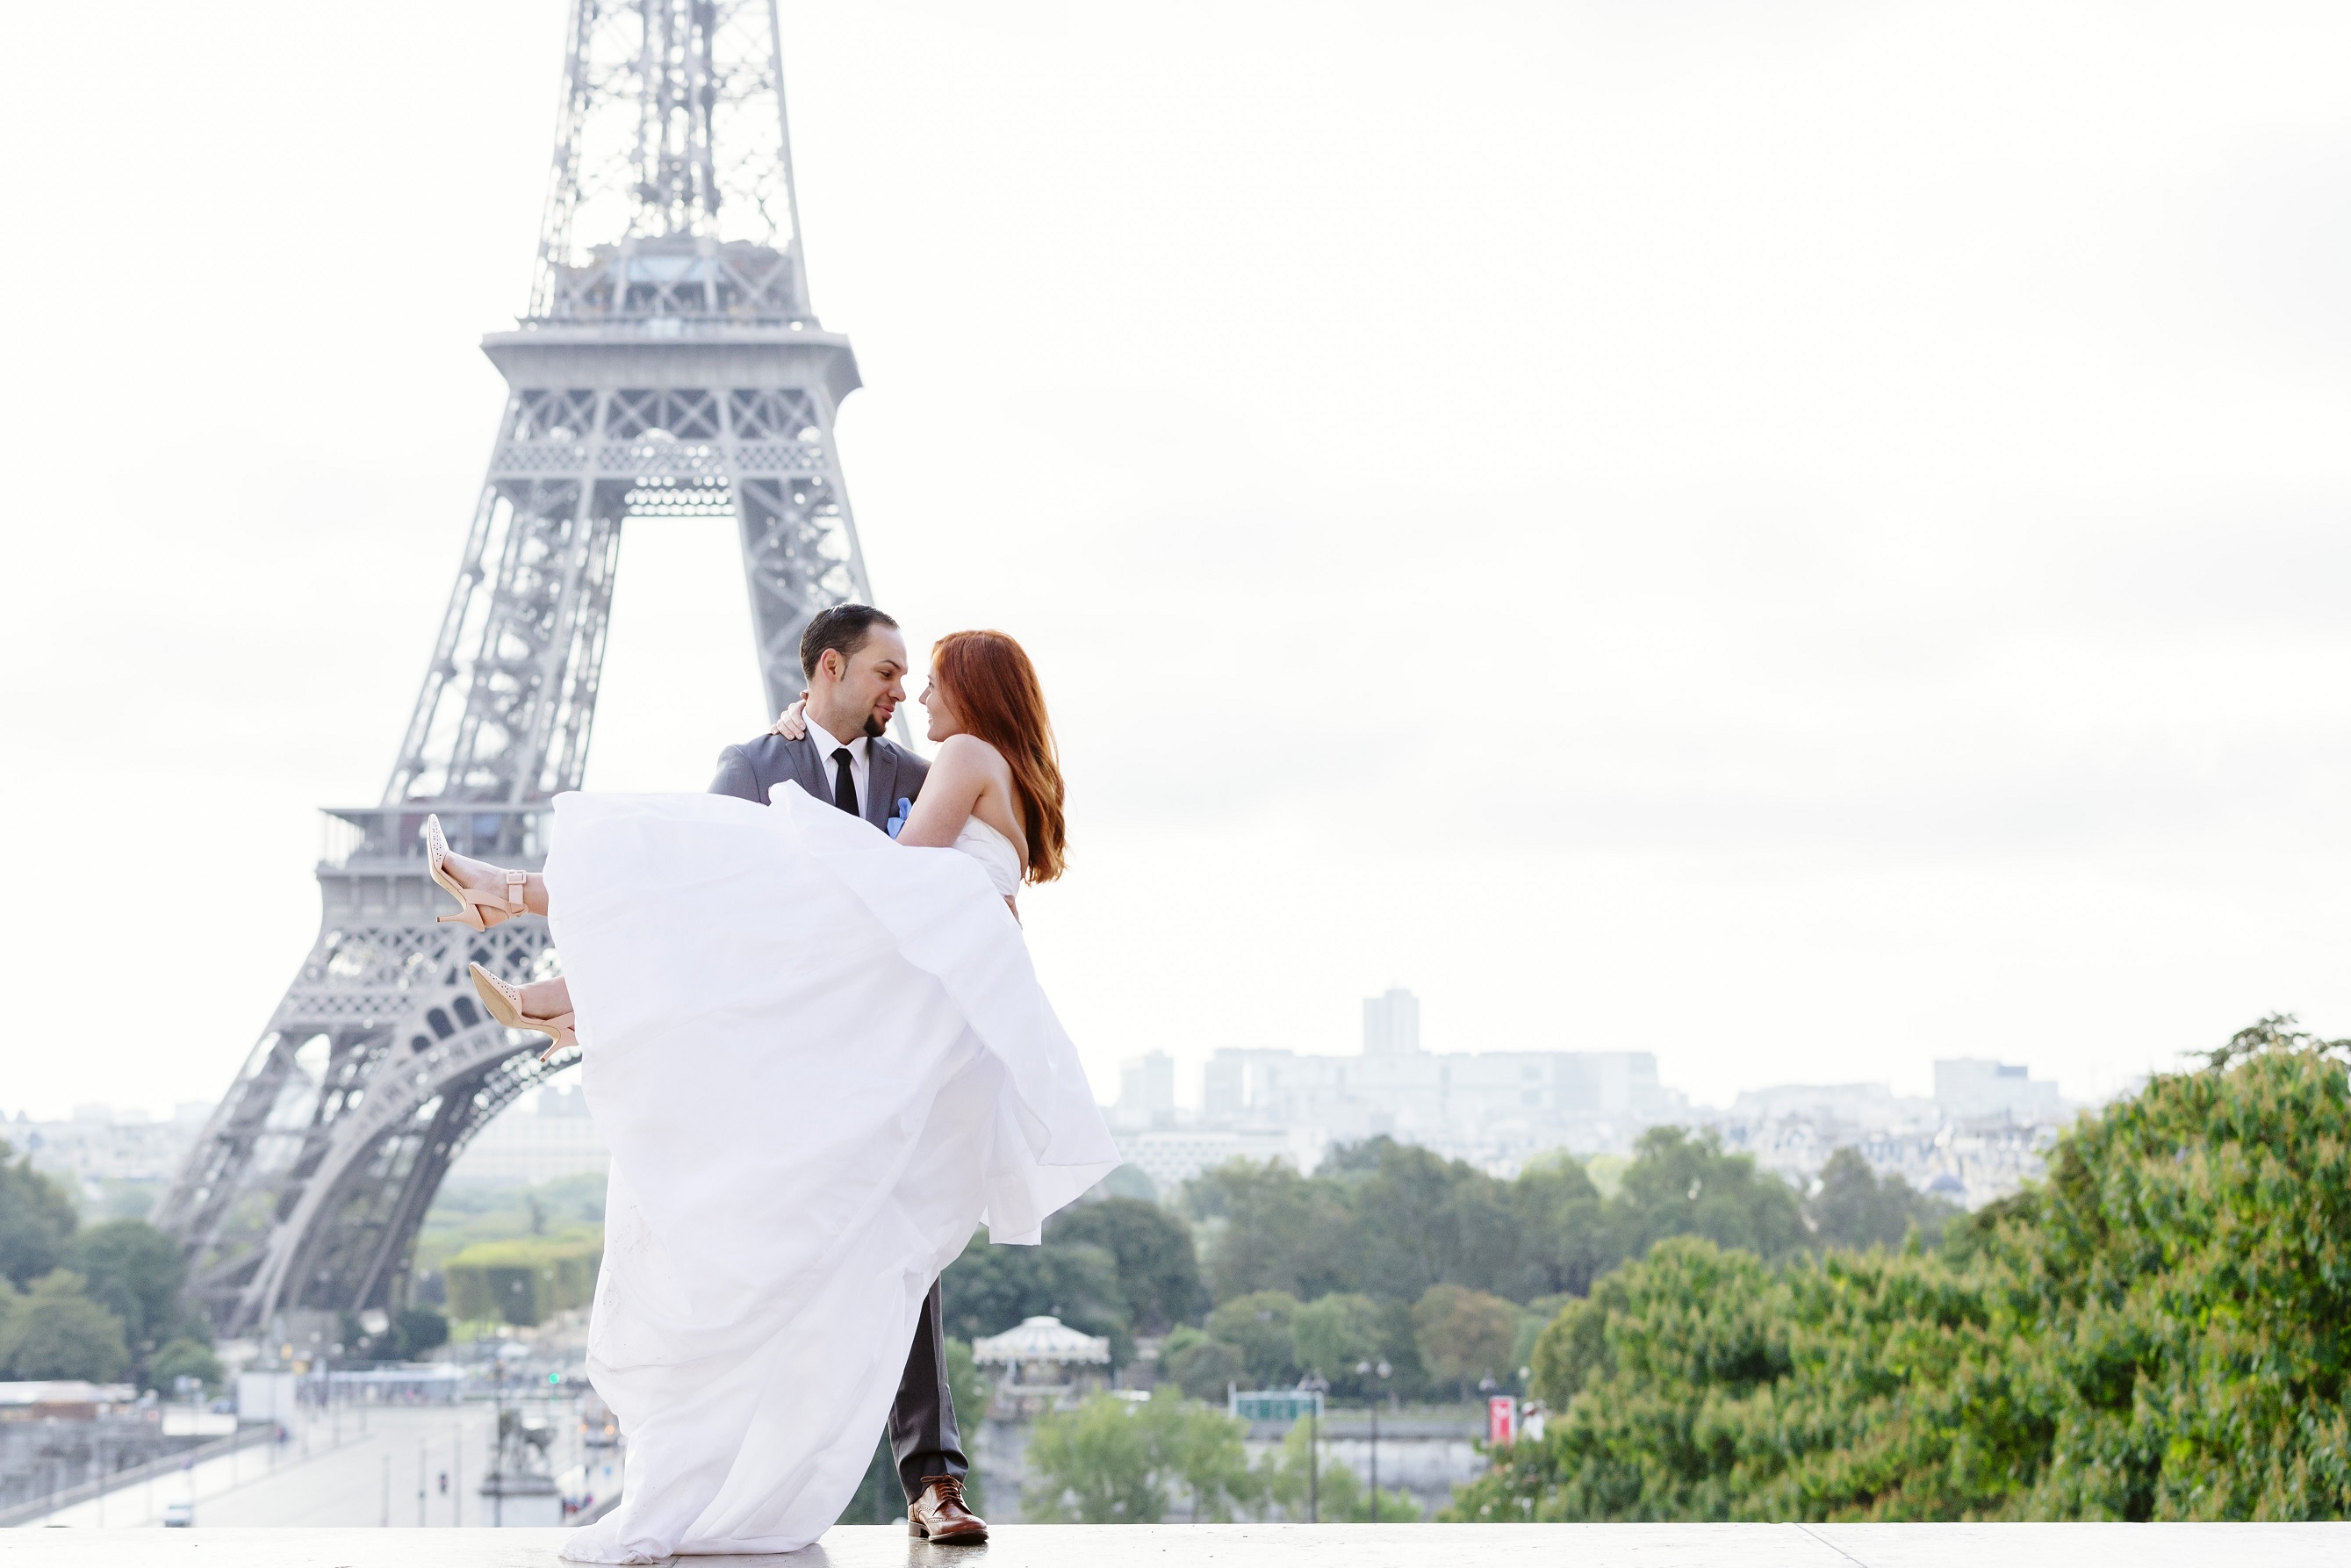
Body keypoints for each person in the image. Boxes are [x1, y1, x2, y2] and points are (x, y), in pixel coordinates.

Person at [423, 611, 1117, 1563]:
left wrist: (800, 847)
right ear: (830, 667)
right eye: (889, 673)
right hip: (943, 1017)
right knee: (867, 1224)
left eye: (925, 677)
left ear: (970, 688)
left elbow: (892, 874)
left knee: (738, 882)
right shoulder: (931, 767)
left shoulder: (945, 764)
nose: (910, 695)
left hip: (905, 997)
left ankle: (538, 929)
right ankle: (564, 971)